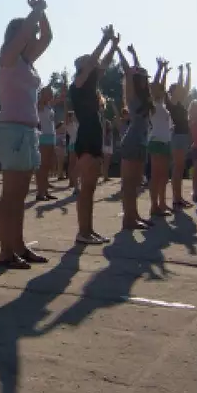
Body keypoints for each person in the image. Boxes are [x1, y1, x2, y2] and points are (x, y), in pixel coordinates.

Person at [0, 0, 52, 268]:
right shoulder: (7, 58)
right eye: (29, 32)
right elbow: (27, 34)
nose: (34, 36)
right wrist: (35, 12)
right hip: (13, 131)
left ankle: (18, 245)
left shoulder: (27, 62)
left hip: (29, 131)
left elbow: (48, 37)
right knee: (11, 194)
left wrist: (43, 13)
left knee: (21, 195)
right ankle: (6, 252)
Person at [70, 26, 119, 244]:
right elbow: (93, 62)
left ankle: (88, 230)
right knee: (86, 187)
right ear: (81, 67)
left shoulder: (90, 84)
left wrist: (113, 46)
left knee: (90, 187)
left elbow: (103, 63)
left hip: (94, 134)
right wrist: (104, 40)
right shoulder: (77, 84)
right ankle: (83, 232)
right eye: (86, 61)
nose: (91, 62)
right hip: (87, 135)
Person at [115, 43, 152, 227]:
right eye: (142, 78)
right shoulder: (131, 96)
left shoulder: (145, 98)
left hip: (142, 141)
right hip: (132, 140)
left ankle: (134, 215)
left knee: (136, 182)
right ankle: (128, 218)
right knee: (129, 183)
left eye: (146, 78)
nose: (145, 81)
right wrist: (118, 49)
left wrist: (135, 54)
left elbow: (136, 70)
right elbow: (129, 71)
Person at [148, 58, 174, 214]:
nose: (161, 91)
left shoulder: (163, 106)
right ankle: (154, 205)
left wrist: (165, 71)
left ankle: (162, 203)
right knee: (156, 175)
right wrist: (159, 69)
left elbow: (161, 86)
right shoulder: (152, 105)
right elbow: (155, 86)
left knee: (164, 176)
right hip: (156, 141)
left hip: (165, 142)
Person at [167, 63, 194, 208]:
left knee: (180, 167)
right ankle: (176, 199)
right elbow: (181, 87)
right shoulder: (172, 102)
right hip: (177, 136)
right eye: (178, 89)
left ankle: (179, 197)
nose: (182, 91)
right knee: (177, 168)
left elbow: (187, 87)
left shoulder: (180, 103)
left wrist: (188, 71)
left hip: (182, 136)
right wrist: (181, 72)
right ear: (173, 92)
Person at [34, 86, 62, 202]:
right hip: (43, 137)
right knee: (42, 165)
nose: (51, 94)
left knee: (47, 166)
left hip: (51, 137)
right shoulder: (39, 105)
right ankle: (40, 192)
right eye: (49, 92)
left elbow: (57, 100)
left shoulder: (49, 106)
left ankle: (45, 191)